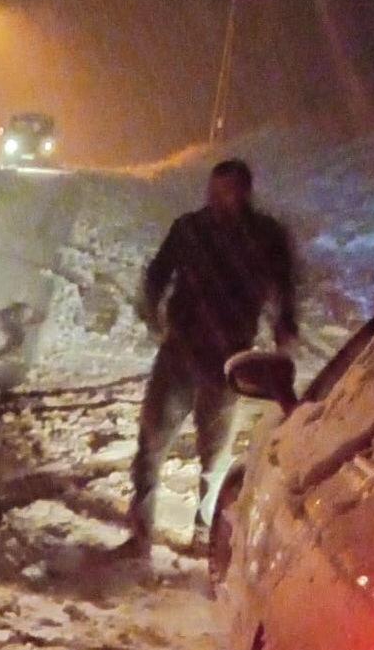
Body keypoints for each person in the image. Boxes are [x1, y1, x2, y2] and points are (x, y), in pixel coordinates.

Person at [116, 158, 297, 561]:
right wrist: (153, 312)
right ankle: (140, 533)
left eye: (226, 192)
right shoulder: (189, 229)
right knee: (151, 444)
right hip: (180, 351)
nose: (216, 200)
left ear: (244, 193)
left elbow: (284, 286)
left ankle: (204, 534)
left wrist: (286, 326)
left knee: (213, 456)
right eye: (212, 192)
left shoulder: (265, 237)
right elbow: (157, 275)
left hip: (229, 360)